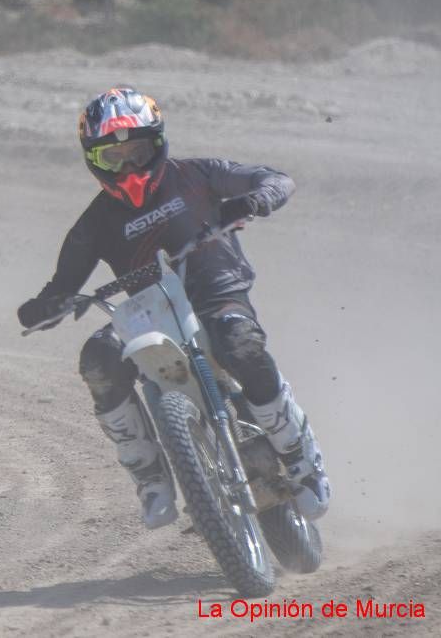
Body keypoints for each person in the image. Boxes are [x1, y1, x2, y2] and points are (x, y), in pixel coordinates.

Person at [17, 87, 330, 528]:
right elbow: (63, 284)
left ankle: (299, 457)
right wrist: (44, 306)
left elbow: (278, 179)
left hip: (217, 288)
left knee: (238, 343)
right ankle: (149, 478)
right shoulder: (93, 223)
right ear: (93, 160)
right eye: (112, 158)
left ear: (158, 144)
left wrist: (255, 199)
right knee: (98, 358)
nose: (127, 166)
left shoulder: (199, 174)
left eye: (137, 152)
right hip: (148, 311)